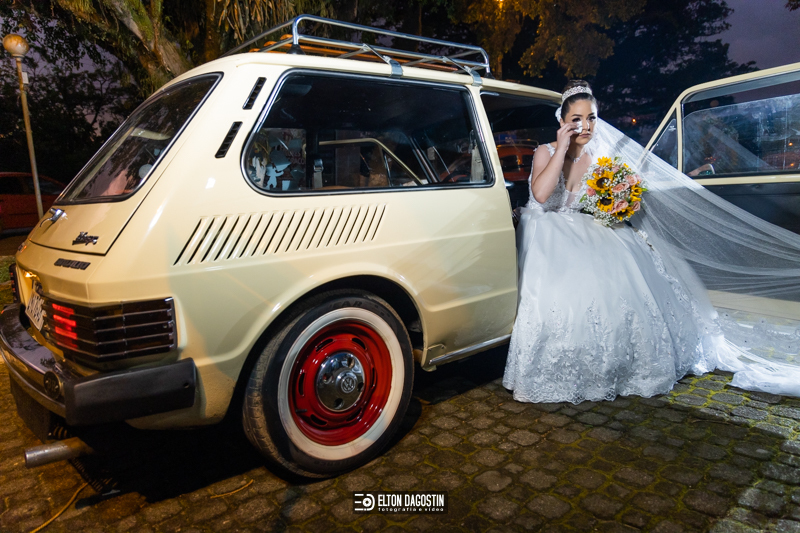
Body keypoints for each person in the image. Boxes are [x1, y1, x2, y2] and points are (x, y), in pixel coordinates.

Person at [503, 80, 800, 404]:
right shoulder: (545, 151)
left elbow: (617, 195)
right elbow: (541, 195)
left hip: (585, 226)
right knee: (570, 290)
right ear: (562, 121)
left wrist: (618, 202)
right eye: (576, 119)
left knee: (623, 279)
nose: (585, 126)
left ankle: (621, 363)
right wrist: (561, 148)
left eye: (591, 118)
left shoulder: (599, 157)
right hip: (547, 228)